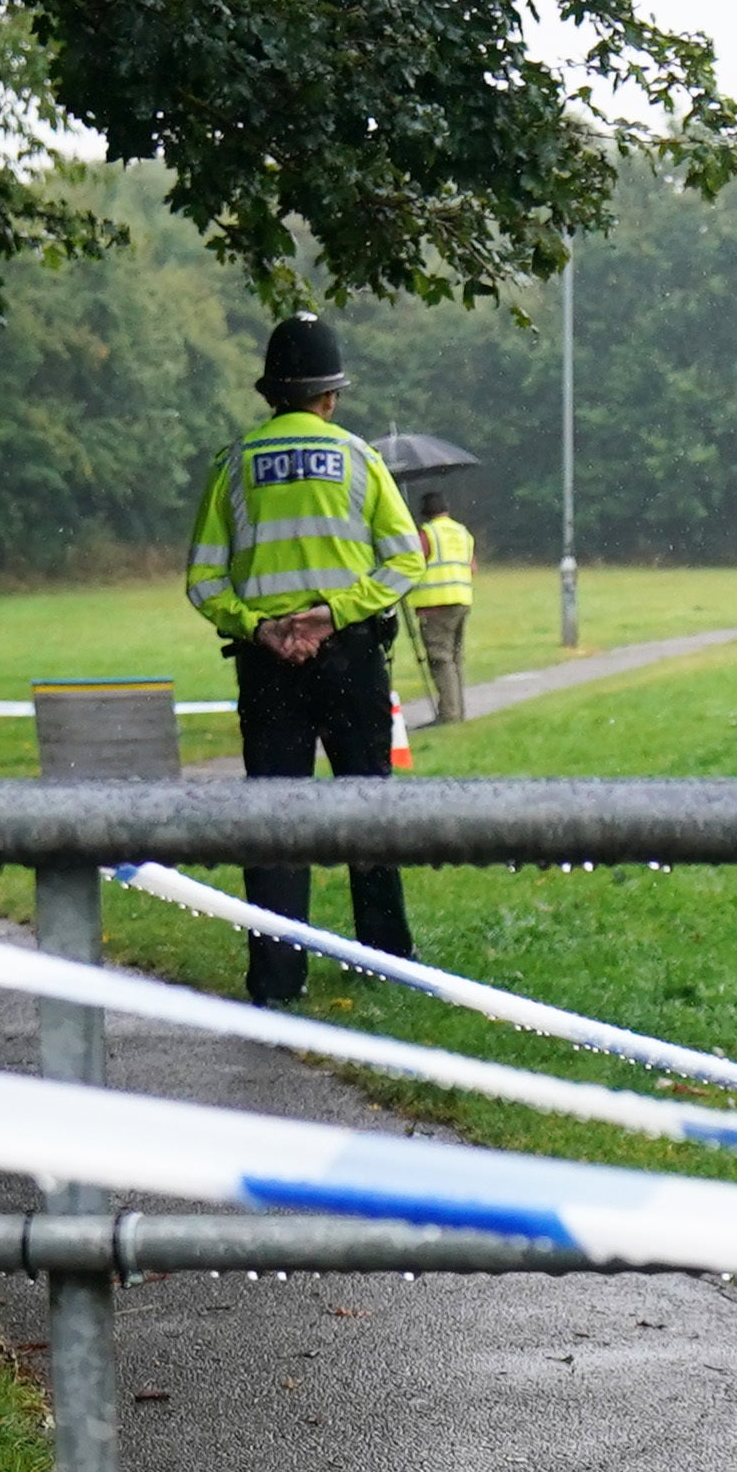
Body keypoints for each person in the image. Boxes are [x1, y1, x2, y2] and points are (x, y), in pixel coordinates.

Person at [181, 313, 432, 1005]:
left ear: (269, 395)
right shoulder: (359, 459)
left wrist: (262, 629)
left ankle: (276, 975)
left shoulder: (232, 465)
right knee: (367, 809)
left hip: (266, 669)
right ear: (331, 396)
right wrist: (332, 614)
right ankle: (386, 956)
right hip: (350, 658)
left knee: (274, 820)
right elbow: (406, 558)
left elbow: (203, 581)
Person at [413, 487, 479, 725]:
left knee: (440, 660)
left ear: (423, 513)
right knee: (455, 659)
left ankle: (449, 715)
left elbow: (411, 564)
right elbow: (472, 567)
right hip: (461, 600)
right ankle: (457, 711)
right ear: (446, 509)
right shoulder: (462, 532)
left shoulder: (426, 534)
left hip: (435, 605)